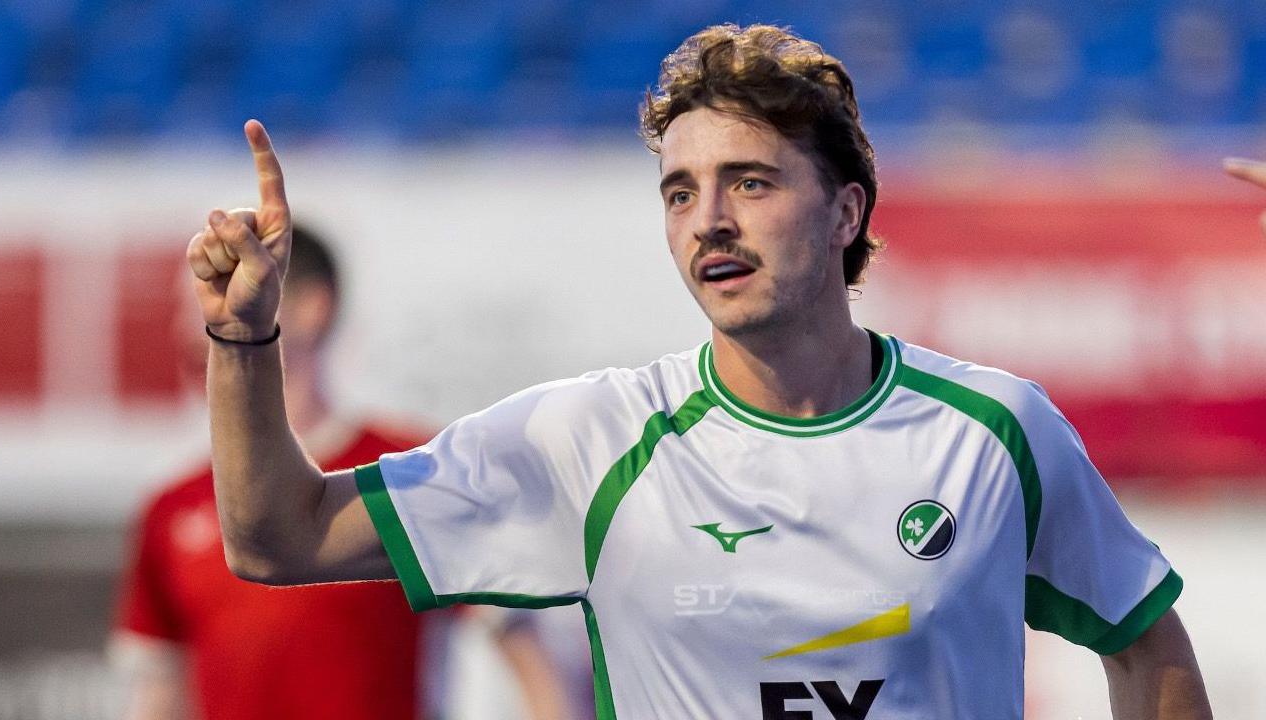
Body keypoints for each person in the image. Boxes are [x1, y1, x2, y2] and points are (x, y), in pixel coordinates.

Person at [185, 24, 1214, 719]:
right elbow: (281, 536)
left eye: (748, 181)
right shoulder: (588, 441)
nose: (706, 219)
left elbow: (1145, 646)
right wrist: (243, 345)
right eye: (678, 192)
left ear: (845, 213)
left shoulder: (995, 430)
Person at [113, 225, 569, 719]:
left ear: (313, 307)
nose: (194, 322)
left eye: (231, 290)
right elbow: (159, 689)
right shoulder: (173, 505)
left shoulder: (411, 470)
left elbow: (533, 669)